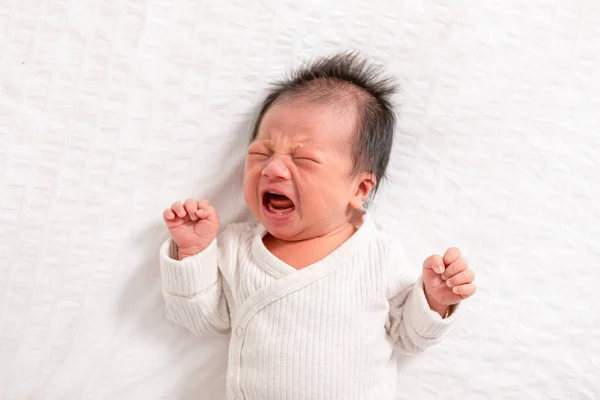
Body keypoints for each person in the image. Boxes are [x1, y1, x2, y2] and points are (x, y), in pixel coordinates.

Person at [159, 52, 476, 399]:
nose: (273, 169)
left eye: (304, 158)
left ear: (359, 189)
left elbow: (409, 337)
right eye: (261, 153)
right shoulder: (237, 248)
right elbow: (202, 321)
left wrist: (434, 300)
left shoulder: (377, 255)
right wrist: (192, 252)